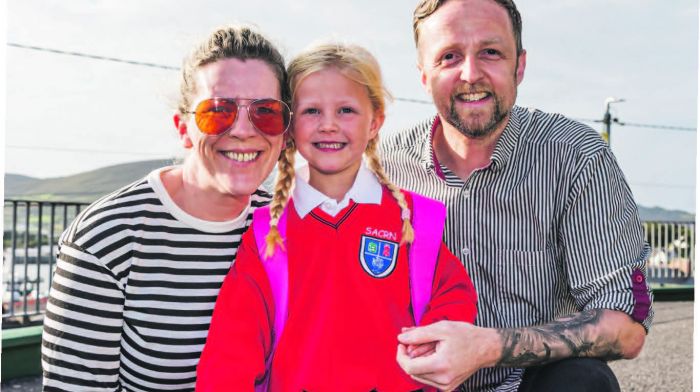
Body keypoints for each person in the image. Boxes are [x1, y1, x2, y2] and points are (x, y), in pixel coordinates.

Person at [384, 1, 654, 391]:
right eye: (449, 56)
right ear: (424, 75)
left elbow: (625, 326)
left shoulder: (576, 156)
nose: (471, 74)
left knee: (584, 381)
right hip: (411, 383)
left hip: (525, 381)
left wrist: (489, 347)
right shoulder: (383, 169)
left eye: (490, 52)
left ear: (520, 66)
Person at [195, 43, 478, 391]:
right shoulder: (267, 232)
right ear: (289, 126)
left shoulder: (415, 218)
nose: (328, 125)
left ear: (375, 122)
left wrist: (432, 345)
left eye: (346, 110)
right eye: (312, 111)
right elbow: (232, 349)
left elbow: (454, 294)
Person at [41, 25, 291, 391]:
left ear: (284, 133)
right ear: (183, 128)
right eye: (218, 111)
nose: (242, 130)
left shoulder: (285, 230)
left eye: (265, 112)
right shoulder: (106, 239)